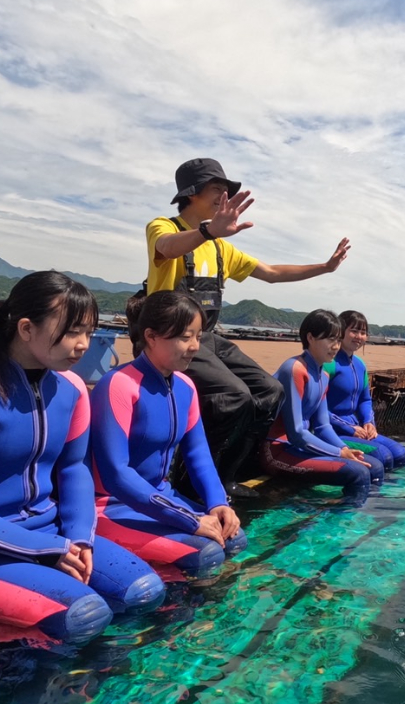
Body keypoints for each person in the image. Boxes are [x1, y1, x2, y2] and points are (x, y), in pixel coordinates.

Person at [0, 272, 165, 646]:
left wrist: (79, 537)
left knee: (145, 593)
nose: (83, 344)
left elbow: (74, 469)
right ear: (26, 328)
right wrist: (44, 550)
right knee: (84, 616)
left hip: (51, 534)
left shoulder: (72, 389)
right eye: (72, 332)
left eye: (89, 332)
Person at [146, 157, 350, 494]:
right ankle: (191, 483)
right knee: (234, 395)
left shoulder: (221, 248)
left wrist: (325, 268)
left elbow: (271, 273)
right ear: (191, 193)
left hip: (206, 337)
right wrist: (207, 231)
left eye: (226, 190)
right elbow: (166, 248)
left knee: (270, 391)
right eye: (216, 188)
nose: (223, 196)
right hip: (169, 338)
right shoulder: (163, 226)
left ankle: (226, 475)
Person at [90, 291, 247, 577]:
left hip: (162, 498)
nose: (195, 347)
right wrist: (189, 520)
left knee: (235, 539)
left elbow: (198, 455)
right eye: (185, 337)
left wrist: (218, 503)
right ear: (151, 336)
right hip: (112, 506)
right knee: (206, 554)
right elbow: (116, 474)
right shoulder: (119, 385)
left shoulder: (185, 387)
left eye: (198, 337)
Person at [261, 309, 384, 502]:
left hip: (300, 447)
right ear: (310, 337)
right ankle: (341, 519)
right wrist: (339, 452)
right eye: (330, 339)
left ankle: (364, 513)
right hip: (277, 451)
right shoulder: (294, 370)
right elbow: (296, 433)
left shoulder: (323, 375)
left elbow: (322, 426)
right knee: (358, 473)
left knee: (375, 467)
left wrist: (344, 449)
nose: (335, 346)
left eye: (338, 340)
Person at [324, 310, 405, 470]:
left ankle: (392, 486)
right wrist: (348, 428)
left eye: (363, 332)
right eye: (354, 331)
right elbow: (317, 406)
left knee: (400, 454)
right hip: (332, 430)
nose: (359, 336)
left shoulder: (360, 365)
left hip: (357, 428)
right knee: (383, 456)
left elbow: (365, 399)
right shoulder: (329, 363)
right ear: (340, 331)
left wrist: (369, 423)